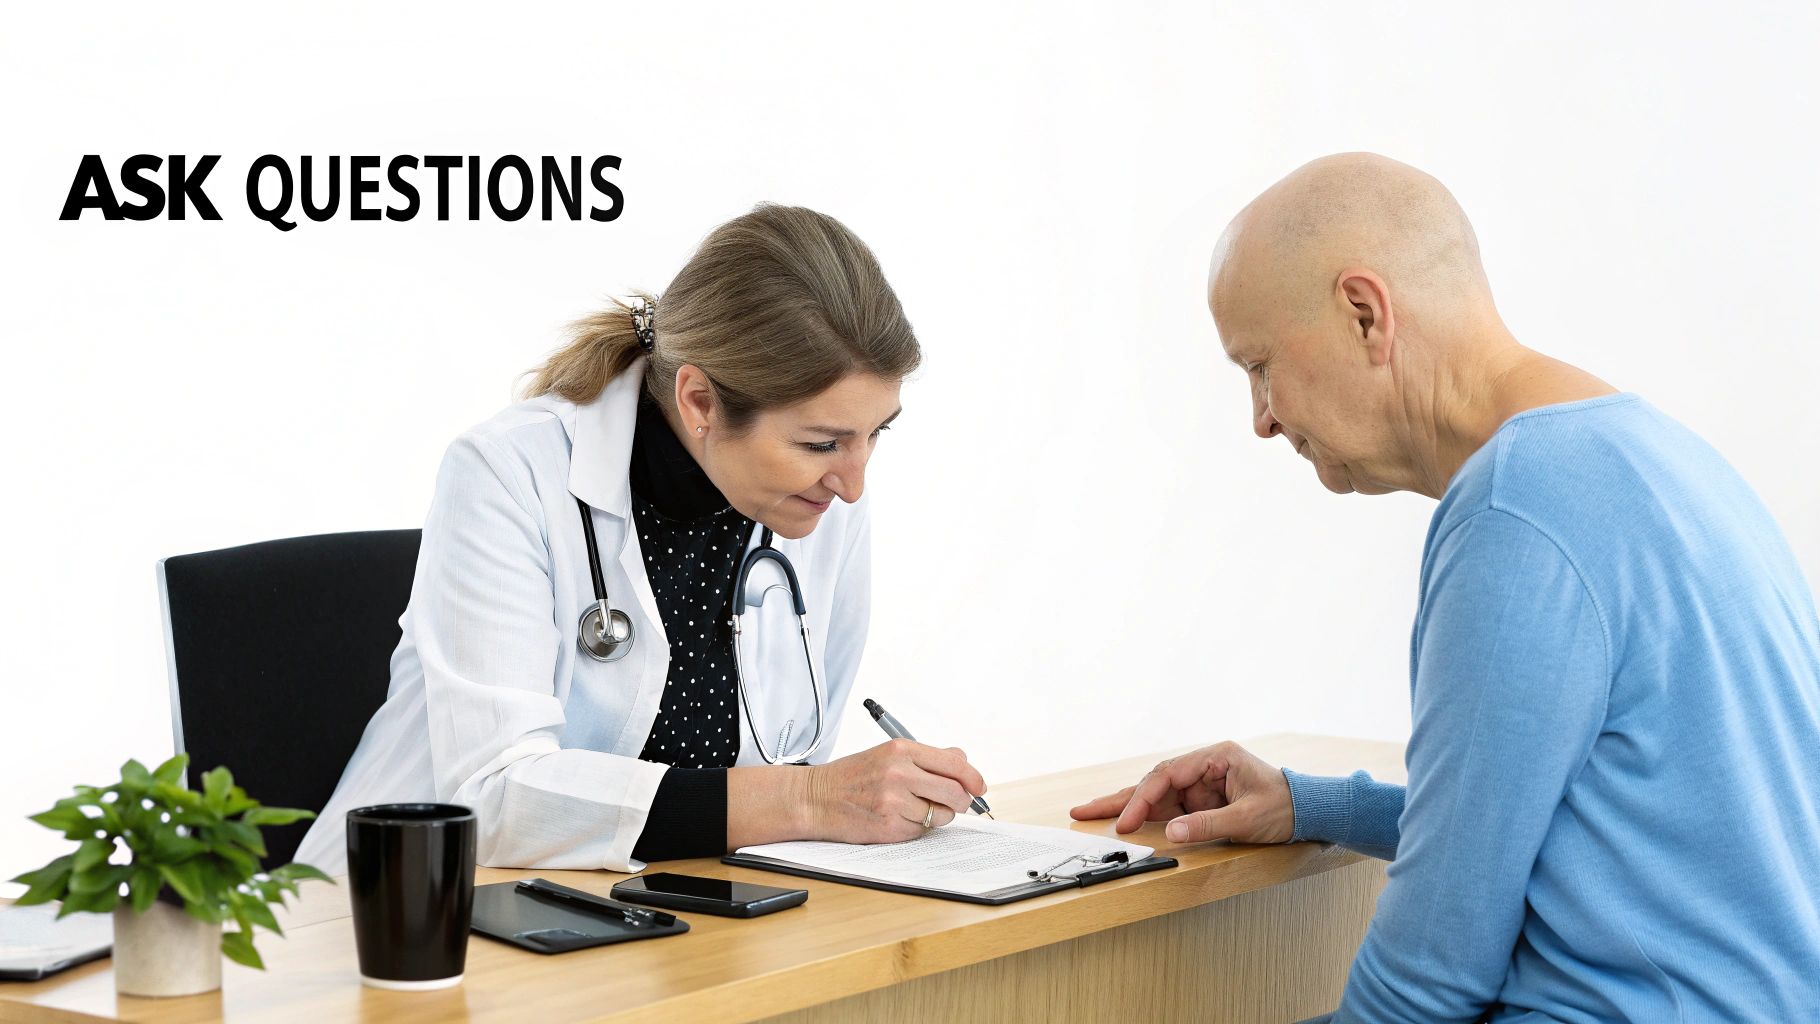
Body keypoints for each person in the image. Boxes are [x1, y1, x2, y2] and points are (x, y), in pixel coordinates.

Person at [1072, 154, 1820, 1021]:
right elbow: (1557, 826)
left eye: (1260, 365)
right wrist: (1313, 805)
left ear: (1365, 314)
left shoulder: (1519, 511)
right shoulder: (1663, 461)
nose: (1262, 418)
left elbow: (1428, 980)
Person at [297, 204, 987, 875]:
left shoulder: (821, 502)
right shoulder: (509, 471)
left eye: (876, 433)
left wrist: (839, 800)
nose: (854, 484)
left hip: (672, 900)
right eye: (820, 443)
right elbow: (494, 796)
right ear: (700, 402)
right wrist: (808, 800)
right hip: (406, 906)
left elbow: (796, 756)